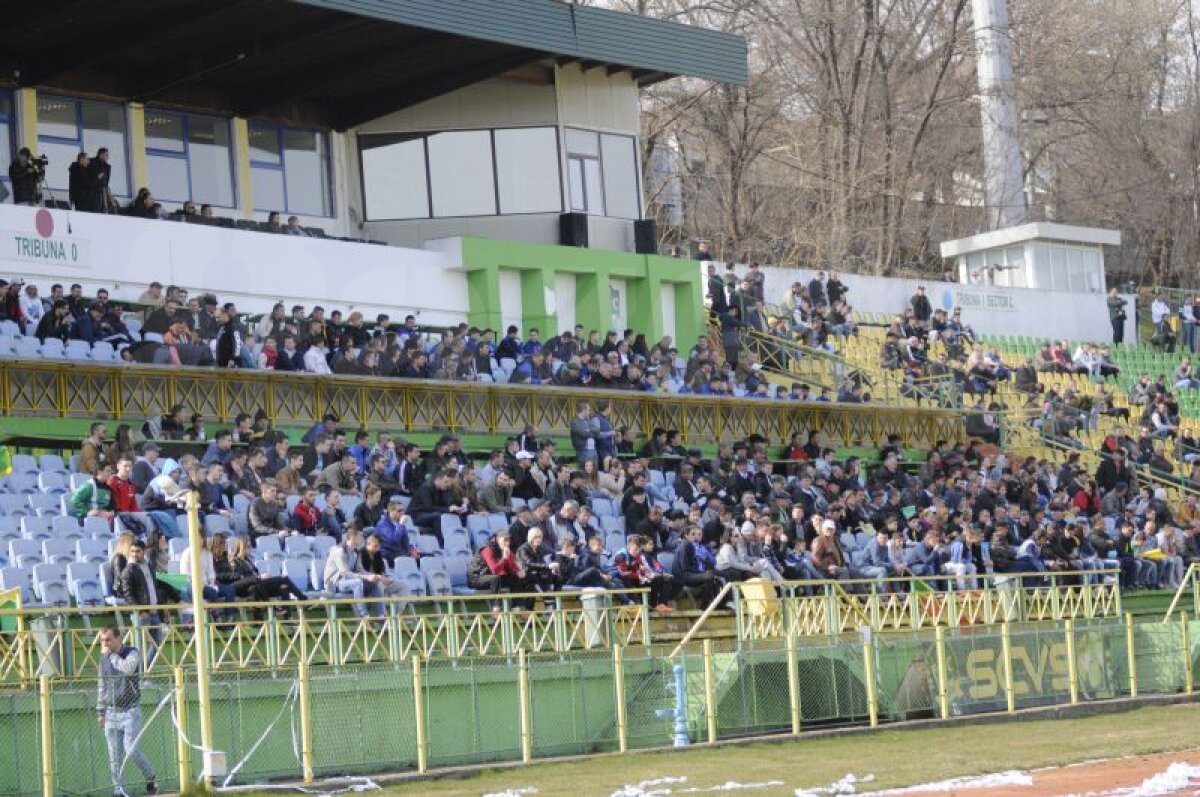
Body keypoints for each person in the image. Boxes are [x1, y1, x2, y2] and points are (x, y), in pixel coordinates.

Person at [97, 626, 158, 797]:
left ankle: (150, 777)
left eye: (108, 639)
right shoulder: (103, 659)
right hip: (111, 712)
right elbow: (101, 686)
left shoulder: (132, 653)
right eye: (102, 640)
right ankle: (119, 790)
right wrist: (100, 711)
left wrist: (111, 656)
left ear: (118, 638)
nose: (105, 643)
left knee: (130, 749)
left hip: (130, 710)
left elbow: (128, 668)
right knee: (114, 755)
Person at [324, 527, 385, 618]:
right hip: (334, 583)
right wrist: (366, 577)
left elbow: (358, 571)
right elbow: (345, 574)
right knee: (358, 583)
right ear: (352, 537)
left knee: (374, 583)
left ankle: (381, 616)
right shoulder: (339, 551)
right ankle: (364, 616)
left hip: (347, 581)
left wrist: (372, 576)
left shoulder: (354, 553)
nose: (361, 539)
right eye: (359, 536)